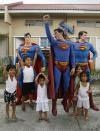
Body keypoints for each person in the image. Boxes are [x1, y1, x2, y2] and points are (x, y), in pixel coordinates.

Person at [43, 15, 75, 116]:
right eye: (54, 33)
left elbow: (72, 56)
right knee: (55, 86)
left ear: (61, 33)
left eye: (56, 33)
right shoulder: (54, 43)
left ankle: (64, 102)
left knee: (66, 86)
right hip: (57, 67)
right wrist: (46, 23)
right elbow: (48, 35)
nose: (54, 35)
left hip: (67, 68)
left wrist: (73, 67)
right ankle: (54, 106)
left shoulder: (69, 43)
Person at [16, 32, 46, 105]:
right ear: (24, 38)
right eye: (26, 37)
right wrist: (15, 66)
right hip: (22, 68)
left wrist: (44, 66)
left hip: (32, 67)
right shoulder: (20, 47)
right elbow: (17, 58)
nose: (27, 38)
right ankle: (19, 99)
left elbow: (42, 57)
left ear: (30, 38)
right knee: (20, 84)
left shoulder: (35, 47)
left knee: (33, 83)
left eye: (28, 37)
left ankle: (32, 100)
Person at [73, 31, 99, 111]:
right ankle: (73, 102)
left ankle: (91, 103)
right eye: (85, 35)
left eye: (86, 35)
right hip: (77, 67)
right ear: (80, 36)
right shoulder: (74, 44)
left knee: (88, 85)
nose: (86, 36)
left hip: (85, 66)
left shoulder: (89, 45)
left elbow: (95, 53)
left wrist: (92, 59)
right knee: (75, 85)